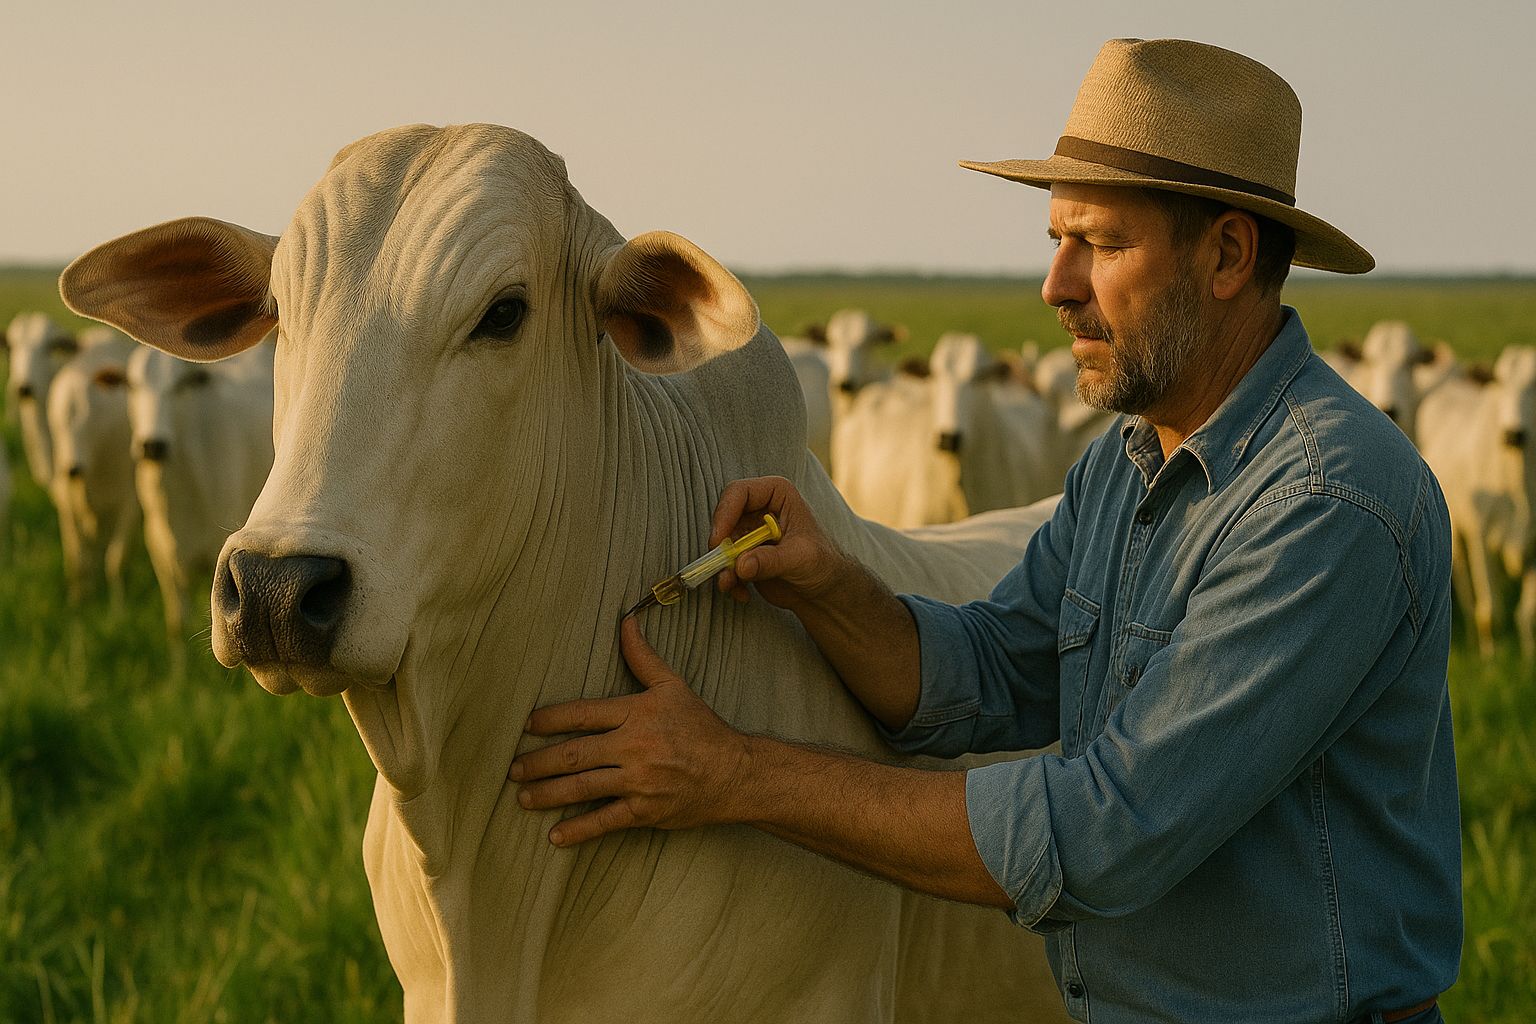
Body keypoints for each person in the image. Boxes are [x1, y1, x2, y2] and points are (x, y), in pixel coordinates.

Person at [509, 38, 1461, 1024]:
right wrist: (828, 588)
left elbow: (1104, 836)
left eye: (1101, 244)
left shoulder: (1325, 502)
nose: (1056, 284)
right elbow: (993, 672)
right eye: (1056, 238)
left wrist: (731, 774)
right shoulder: (1124, 461)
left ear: (1227, 255)